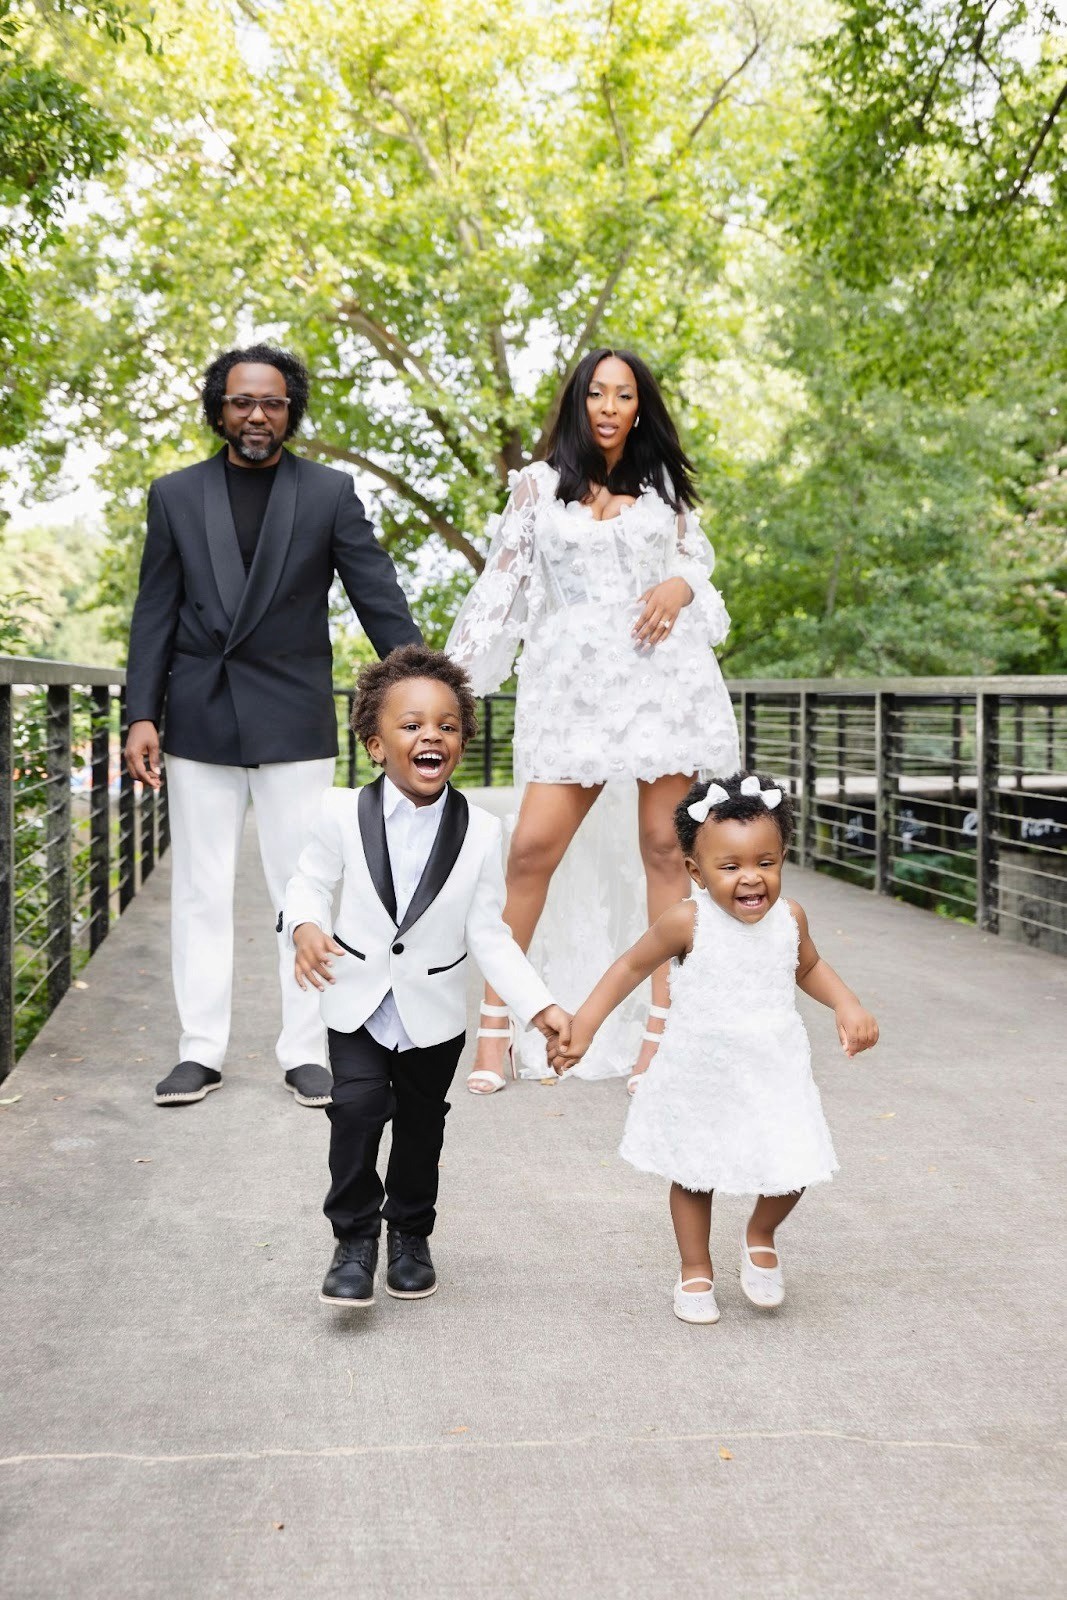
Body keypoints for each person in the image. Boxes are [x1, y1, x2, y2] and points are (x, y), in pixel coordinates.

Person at [124, 343, 421, 1110]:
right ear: (218, 409)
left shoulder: (328, 493)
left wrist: (423, 686)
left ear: (291, 410)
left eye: (273, 403)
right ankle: (199, 1051)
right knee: (199, 889)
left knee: (304, 886)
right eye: (242, 401)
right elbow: (154, 610)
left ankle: (306, 1050)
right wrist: (141, 713)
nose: (257, 415)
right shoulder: (174, 494)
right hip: (199, 712)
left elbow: (376, 596)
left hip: (292, 711)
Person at [446, 347, 739, 1094]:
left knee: (665, 850)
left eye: (624, 395)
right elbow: (501, 589)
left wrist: (679, 585)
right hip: (571, 691)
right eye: (597, 394)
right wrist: (448, 686)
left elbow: (698, 567)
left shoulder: (662, 485)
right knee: (530, 850)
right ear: (578, 403)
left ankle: (661, 1038)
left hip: (659, 682)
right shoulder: (537, 487)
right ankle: (496, 1028)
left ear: (639, 409)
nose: (609, 407)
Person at [283, 645, 571, 1307]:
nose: (430, 735)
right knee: (356, 1112)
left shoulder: (482, 833)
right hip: (356, 1001)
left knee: (421, 1126)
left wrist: (539, 1007)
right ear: (375, 744)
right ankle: (353, 1239)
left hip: (433, 1011)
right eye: (411, 725)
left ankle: (410, 1235)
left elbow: (489, 933)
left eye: (446, 725)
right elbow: (308, 882)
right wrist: (304, 926)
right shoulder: (338, 812)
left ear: (462, 742)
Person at [548, 770, 879, 1326]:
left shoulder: (789, 918)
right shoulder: (688, 921)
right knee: (693, 1173)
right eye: (730, 867)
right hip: (701, 1072)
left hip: (773, 1068)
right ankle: (695, 1268)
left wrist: (847, 1004)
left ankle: (760, 1233)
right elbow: (630, 967)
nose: (751, 878)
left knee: (794, 1159)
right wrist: (584, 1026)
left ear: (783, 859)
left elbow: (809, 967)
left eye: (765, 862)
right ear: (697, 871)